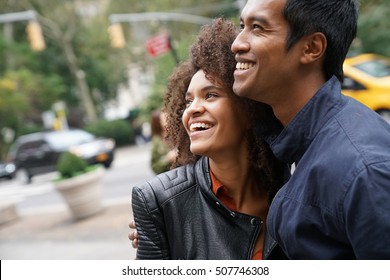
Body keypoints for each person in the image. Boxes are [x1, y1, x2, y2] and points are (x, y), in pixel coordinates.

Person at [231, 0, 390, 259]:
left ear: (311, 48)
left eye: (258, 27)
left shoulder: (366, 170)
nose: (237, 43)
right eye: (242, 26)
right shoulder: (285, 143)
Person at [131, 18, 286, 260]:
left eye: (210, 95)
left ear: (249, 107)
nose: (192, 110)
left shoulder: (291, 184)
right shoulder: (160, 202)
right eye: (188, 101)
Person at [149, 108, 176, 174]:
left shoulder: (179, 134)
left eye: (169, 117)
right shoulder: (156, 142)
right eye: (164, 118)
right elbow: (155, 166)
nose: (168, 120)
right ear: (158, 122)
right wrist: (168, 159)